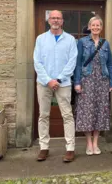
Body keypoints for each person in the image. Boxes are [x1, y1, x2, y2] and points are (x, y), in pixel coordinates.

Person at [33, 10, 78, 163]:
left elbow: (72, 62)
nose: (56, 20)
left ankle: (70, 148)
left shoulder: (70, 40)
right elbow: (37, 62)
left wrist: (58, 79)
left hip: (63, 83)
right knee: (43, 115)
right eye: (53, 18)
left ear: (62, 21)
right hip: (44, 83)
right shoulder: (41, 39)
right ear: (48, 20)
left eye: (58, 18)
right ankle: (44, 147)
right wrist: (48, 80)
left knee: (67, 115)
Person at [74, 16, 112, 156]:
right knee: (87, 112)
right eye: (93, 25)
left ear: (101, 27)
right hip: (87, 81)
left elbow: (110, 64)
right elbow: (78, 63)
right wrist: (77, 82)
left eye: (98, 25)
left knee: (100, 111)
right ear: (89, 26)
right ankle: (88, 143)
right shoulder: (82, 42)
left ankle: (96, 142)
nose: (96, 27)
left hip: (102, 81)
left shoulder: (105, 44)